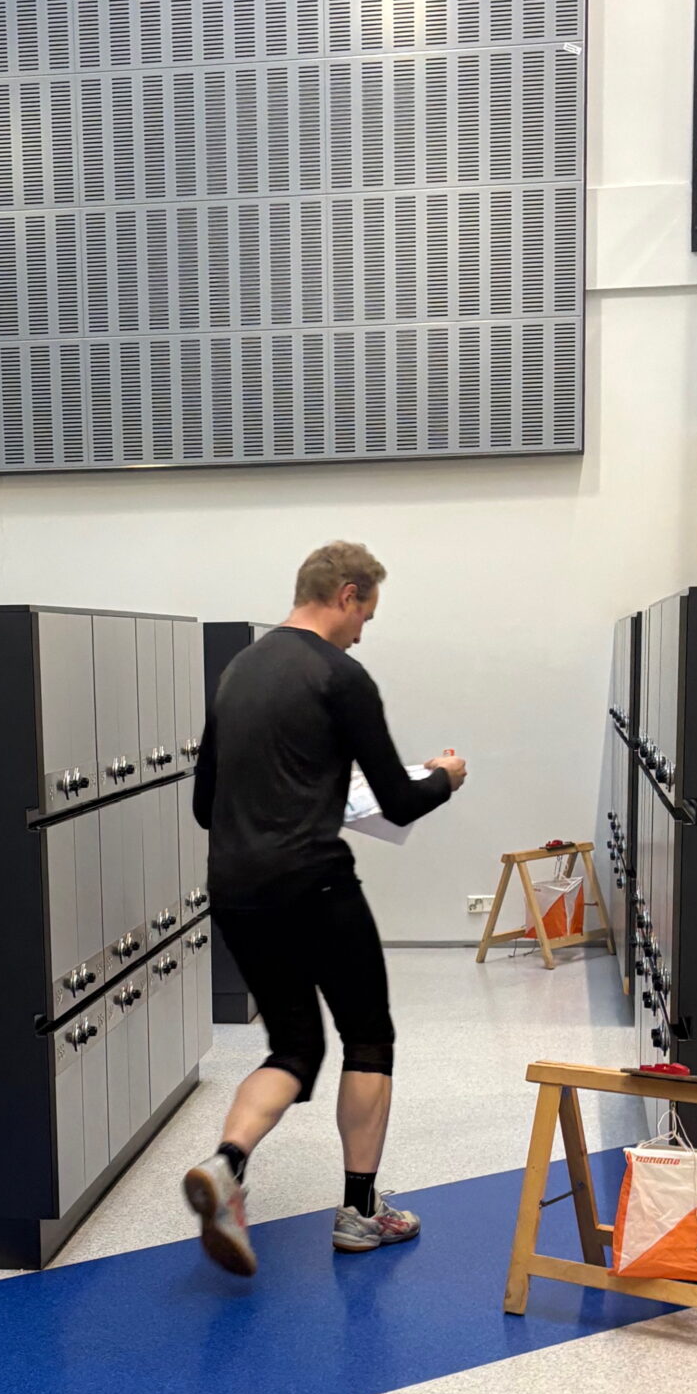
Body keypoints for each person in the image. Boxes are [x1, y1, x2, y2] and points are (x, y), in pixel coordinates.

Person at [181, 541, 468, 1276]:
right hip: (315, 885)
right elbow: (398, 799)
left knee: (293, 1046)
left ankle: (225, 1164)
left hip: (237, 889)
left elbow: (203, 805)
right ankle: (360, 1214)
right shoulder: (340, 676)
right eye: (365, 614)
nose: (363, 632)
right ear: (346, 594)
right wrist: (445, 776)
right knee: (368, 1037)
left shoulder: (238, 670)